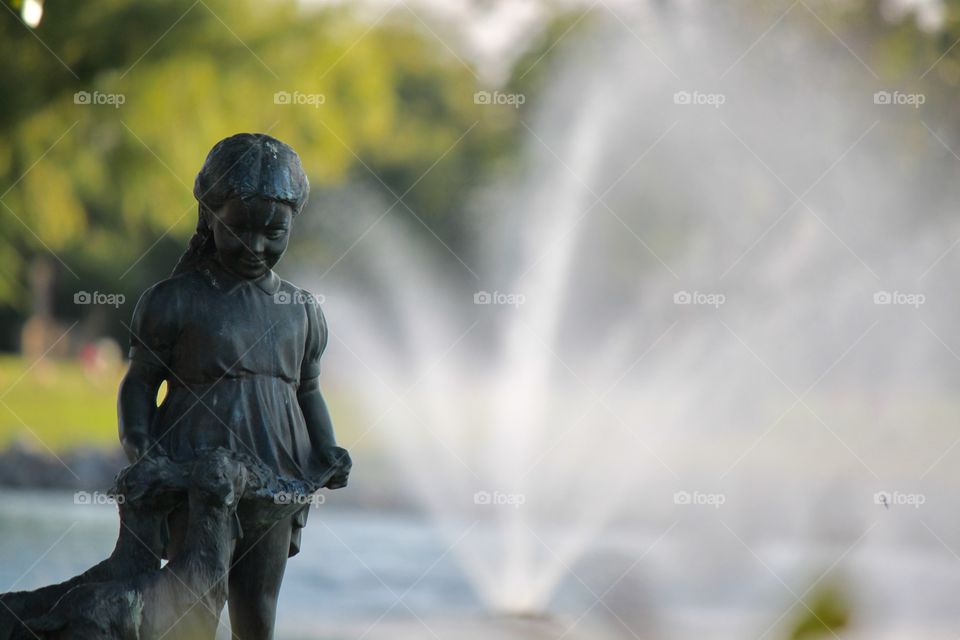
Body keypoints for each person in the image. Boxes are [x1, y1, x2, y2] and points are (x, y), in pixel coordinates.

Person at [117, 132, 351, 640]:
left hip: (276, 472)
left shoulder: (302, 311)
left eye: (275, 233)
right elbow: (139, 383)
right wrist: (141, 447)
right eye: (239, 229)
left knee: (257, 596)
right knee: (193, 593)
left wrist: (327, 448)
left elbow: (307, 390)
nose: (257, 246)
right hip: (195, 467)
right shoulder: (174, 301)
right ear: (209, 215)